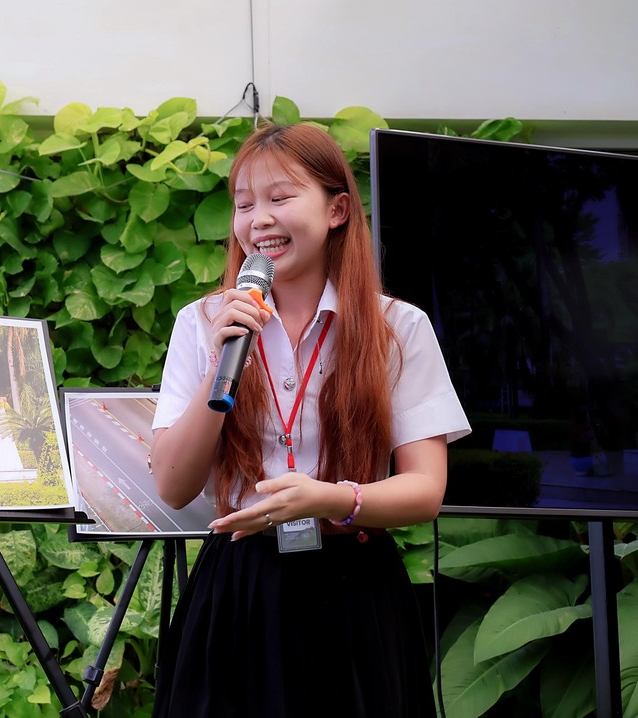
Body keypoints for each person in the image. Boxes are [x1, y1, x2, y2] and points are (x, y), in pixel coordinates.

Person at [150, 122, 471, 717]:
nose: (259, 220)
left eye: (280, 197)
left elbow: (426, 490)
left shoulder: (397, 328)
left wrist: (329, 498)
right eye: (244, 204)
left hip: (355, 588)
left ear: (337, 210)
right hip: (238, 589)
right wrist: (220, 366)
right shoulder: (202, 323)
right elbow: (172, 485)